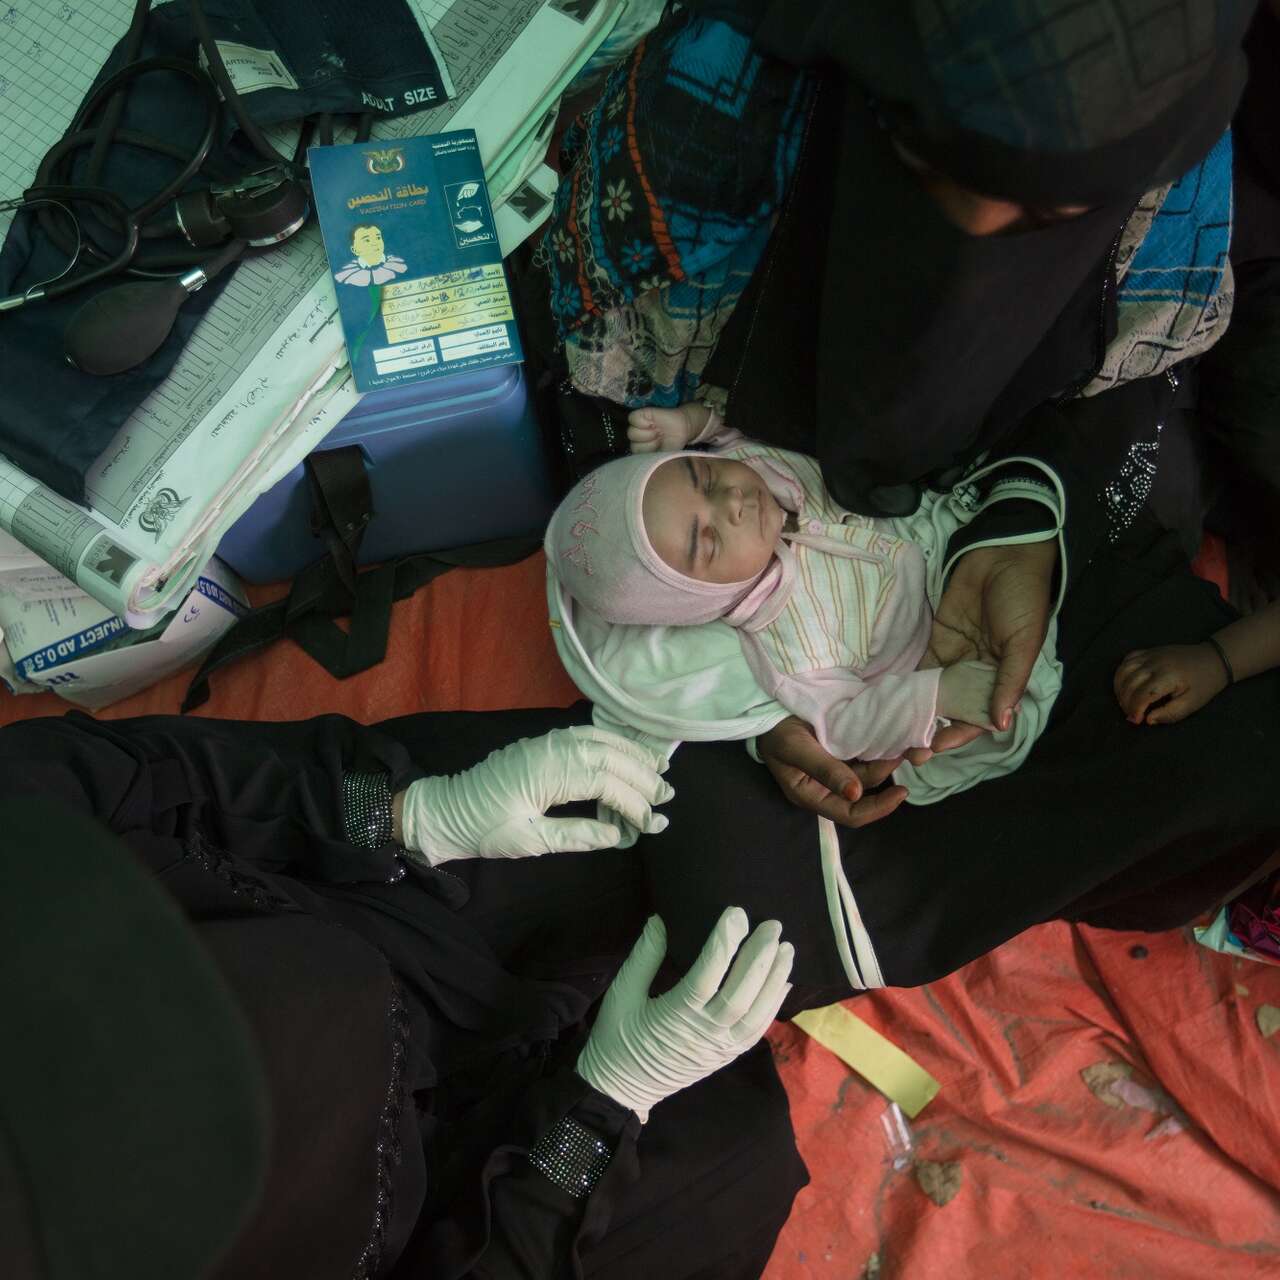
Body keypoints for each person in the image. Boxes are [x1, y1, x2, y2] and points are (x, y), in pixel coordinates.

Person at [517, 1, 1280, 999]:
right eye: (920, 162)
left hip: (1059, 474)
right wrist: (753, 706)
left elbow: (1142, 375)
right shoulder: (713, 116)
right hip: (795, 555)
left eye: (1043, 221)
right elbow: (623, 494)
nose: (977, 240)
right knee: (728, 923)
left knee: (1237, 755)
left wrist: (1020, 518)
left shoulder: (1166, 157)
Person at [0, 711, 805, 1280]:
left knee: (672, 799)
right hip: (444, 1195)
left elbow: (107, 777)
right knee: (743, 1162)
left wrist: (400, 817)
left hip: (357, 906)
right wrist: (607, 1102)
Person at [546, 405, 1066, 801]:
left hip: (963, 530)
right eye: (708, 540)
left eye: (703, 477)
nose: (732, 502)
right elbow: (843, 724)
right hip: (951, 643)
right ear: (698, 602)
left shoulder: (752, 464)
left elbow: (727, 431)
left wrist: (690, 424)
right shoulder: (789, 649)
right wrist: (937, 695)